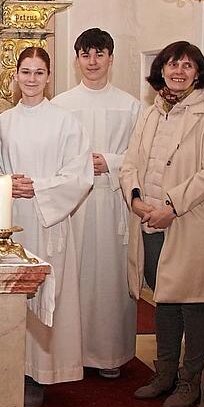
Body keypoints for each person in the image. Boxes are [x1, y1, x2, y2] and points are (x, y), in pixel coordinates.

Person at [120, 41, 204, 407]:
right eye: (172, 65)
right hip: (151, 221)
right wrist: (135, 198)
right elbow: (131, 162)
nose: (179, 71)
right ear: (161, 70)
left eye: (187, 65)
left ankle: (190, 381)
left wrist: (172, 206)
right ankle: (164, 374)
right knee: (164, 301)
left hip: (191, 221)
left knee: (194, 301)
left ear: (198, 72)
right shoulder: (153, 111)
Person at [0, 47, 93, 407]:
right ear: (15, 76)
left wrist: (37, 186)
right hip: (12, 220)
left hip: (49, 219)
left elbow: (79, 175)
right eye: (25, 71)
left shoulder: (66, 123)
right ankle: (14, 369)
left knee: (47, 293)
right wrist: (6, 183)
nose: (31, 79)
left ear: (49, 77)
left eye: (38, 72)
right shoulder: (2, 123)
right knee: (13, 295)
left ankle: (42, 373)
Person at [53, 28, 141, 379]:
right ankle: (72, 351)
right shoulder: (61, 105)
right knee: (73, 274)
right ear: (76, 60)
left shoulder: (130, 105)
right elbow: (52, 153)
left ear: (110, 58)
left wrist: (112, 161)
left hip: (111, 202)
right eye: (86, 54)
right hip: (73, 204)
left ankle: (110, 354)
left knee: (109, 276)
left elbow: (142, 153)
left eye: (99, 54)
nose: (92, 62)